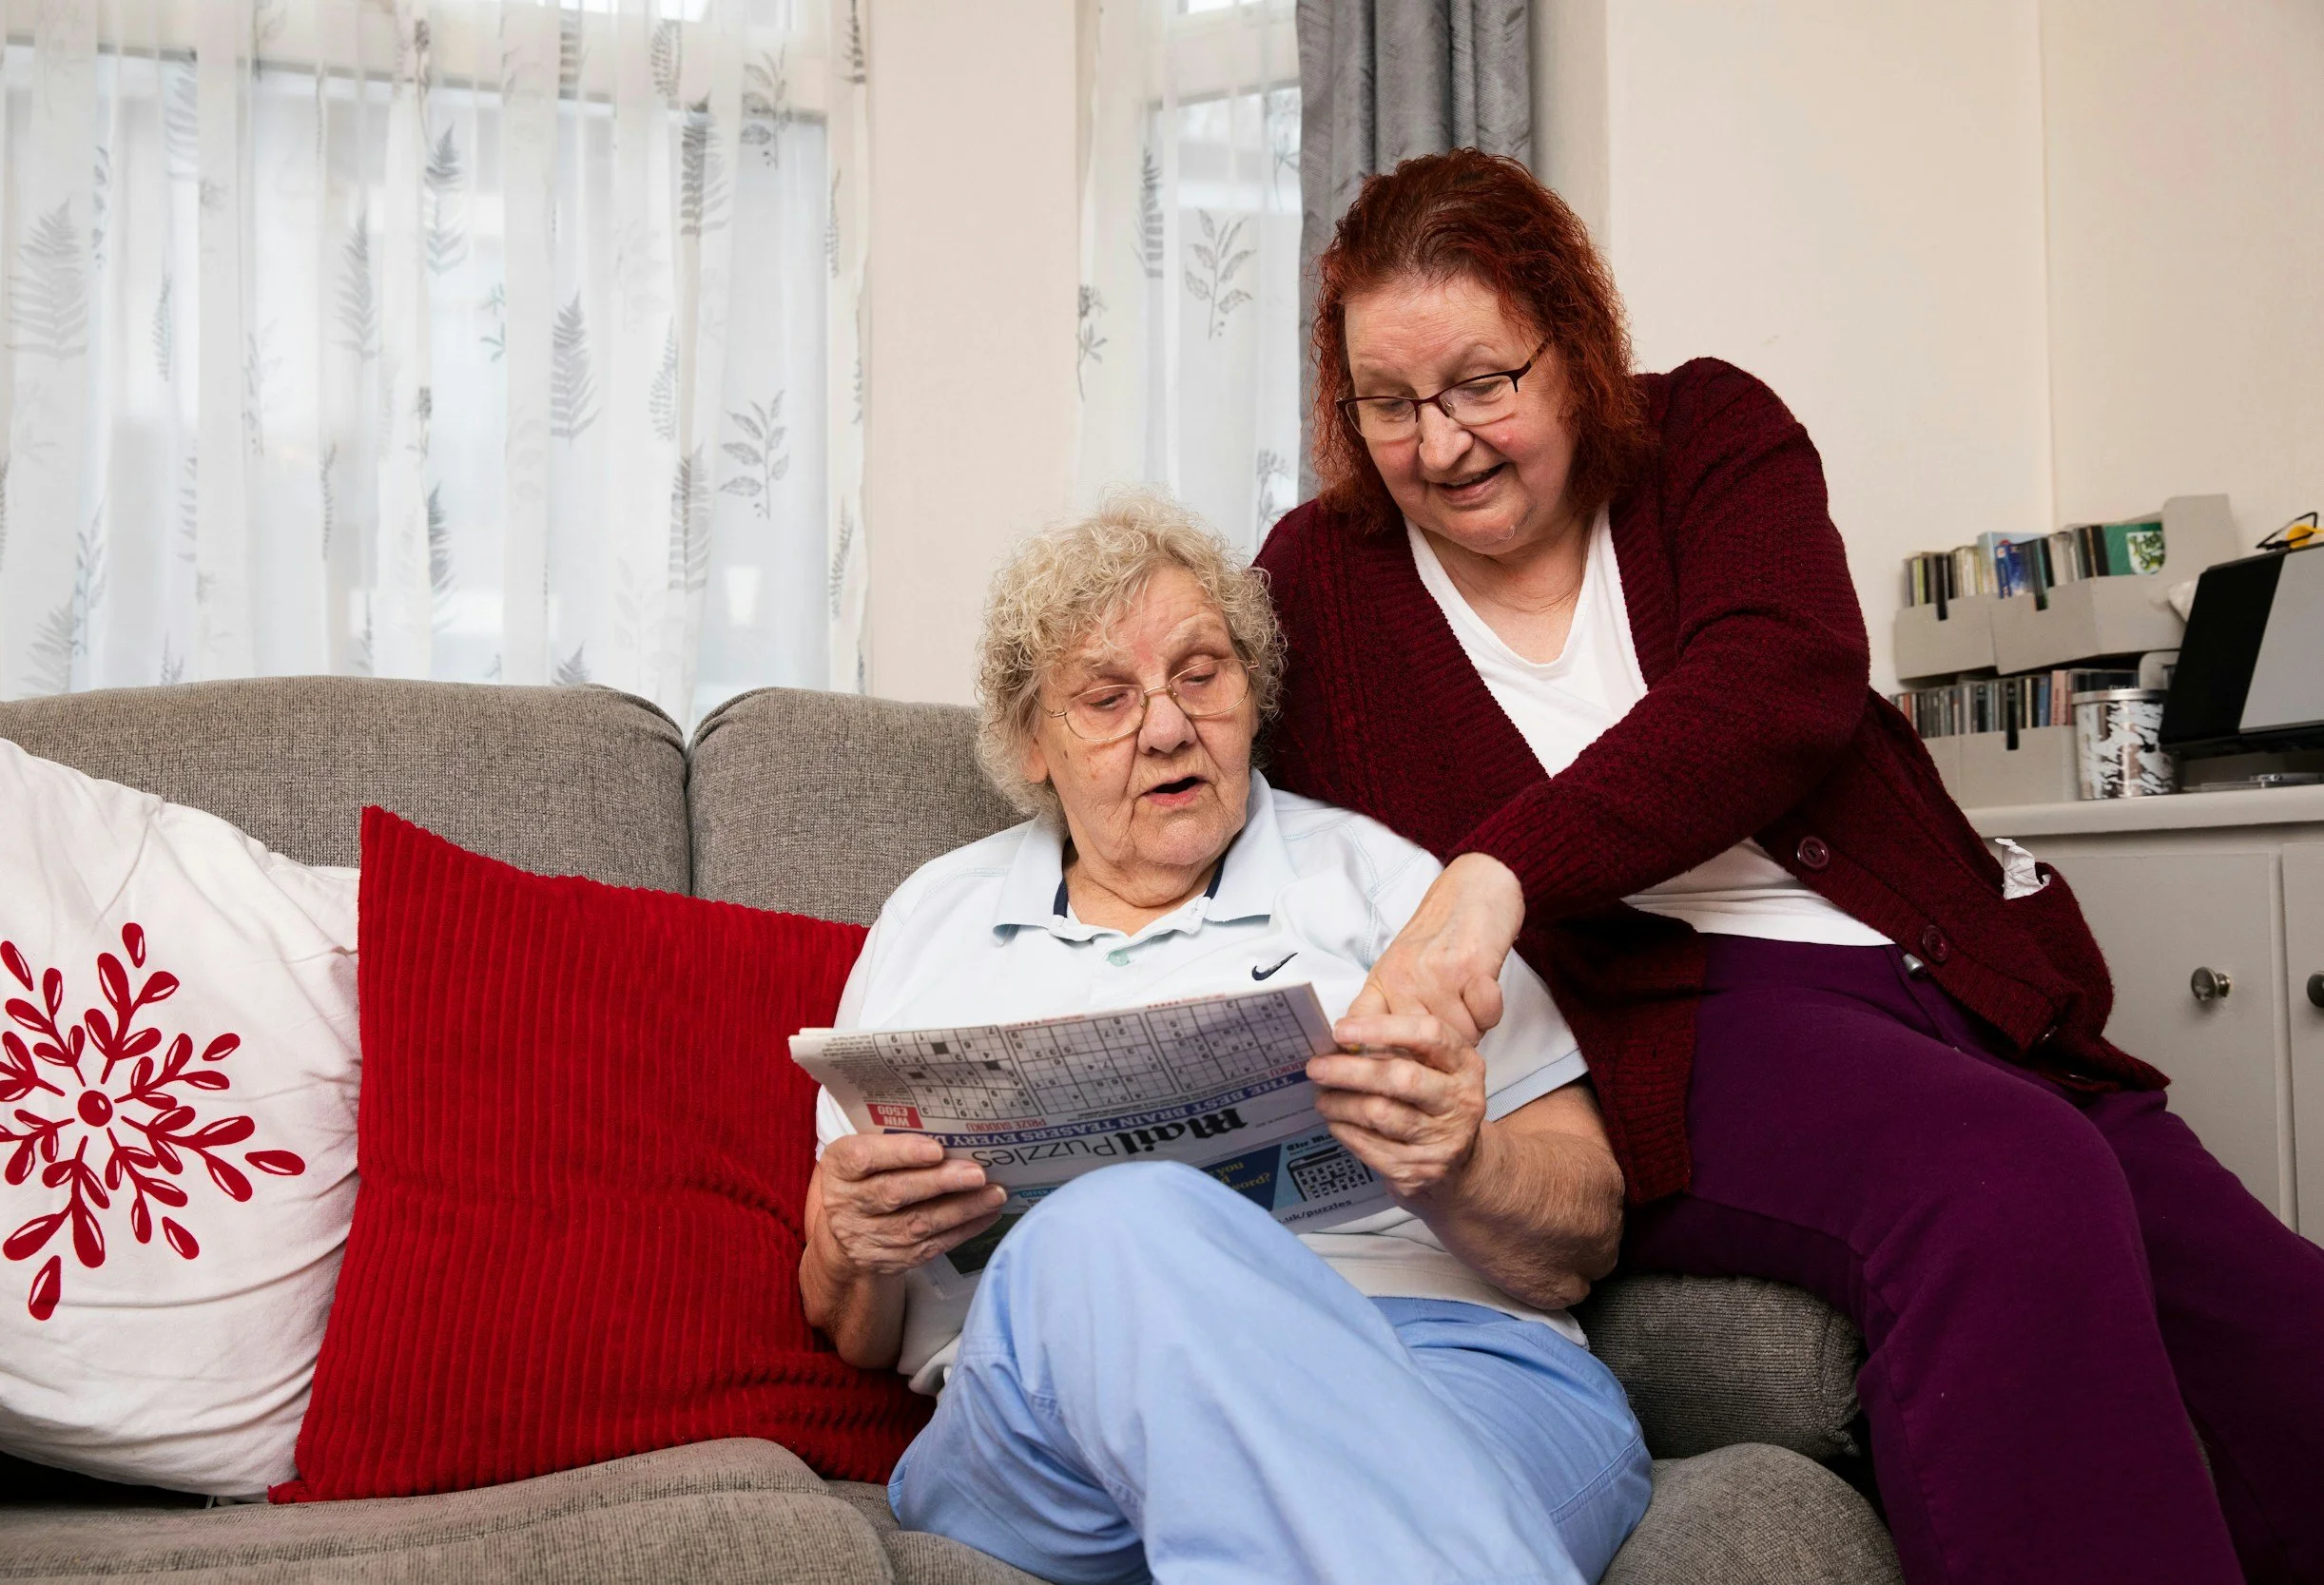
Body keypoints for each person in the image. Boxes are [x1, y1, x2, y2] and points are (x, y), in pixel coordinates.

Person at [1253, 145, 2324, 1585]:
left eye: (1481, 384)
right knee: (2004, 1182)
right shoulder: (1319, 577)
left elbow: (1783, 679)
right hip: (1673, 1022)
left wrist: (1494, 869)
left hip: (1937, 967)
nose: (1440, 443)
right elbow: (1188, 759)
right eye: (1388, 403)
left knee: (2280, 1324)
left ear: (1573, 344)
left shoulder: (1709, 431)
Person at [796, 495, 1651, 1585]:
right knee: (1116, 1224)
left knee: (1366, 1482)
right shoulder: (936, 917)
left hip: (1432, 1359)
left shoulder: (1383, 883)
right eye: (1106, 697)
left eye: (1201, 675)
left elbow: (1586, 1231)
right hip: (1049, 1429)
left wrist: (1462, 1163)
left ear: (1251, 692)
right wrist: (854, 1246)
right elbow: (853, 1326)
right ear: (1031, 742)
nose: (1166, 727)